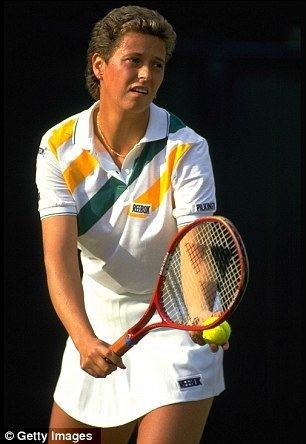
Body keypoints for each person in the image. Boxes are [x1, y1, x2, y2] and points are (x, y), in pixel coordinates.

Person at [35, 5, 229, 444]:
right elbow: (59, 258)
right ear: (99, 66)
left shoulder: (187, 147)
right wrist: (84, 339)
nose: (146, 74)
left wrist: (200, 313)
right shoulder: (58, 146)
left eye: (157, 65)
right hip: (97, 324)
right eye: (134, 61)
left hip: (177, 326)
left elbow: (194, 244)